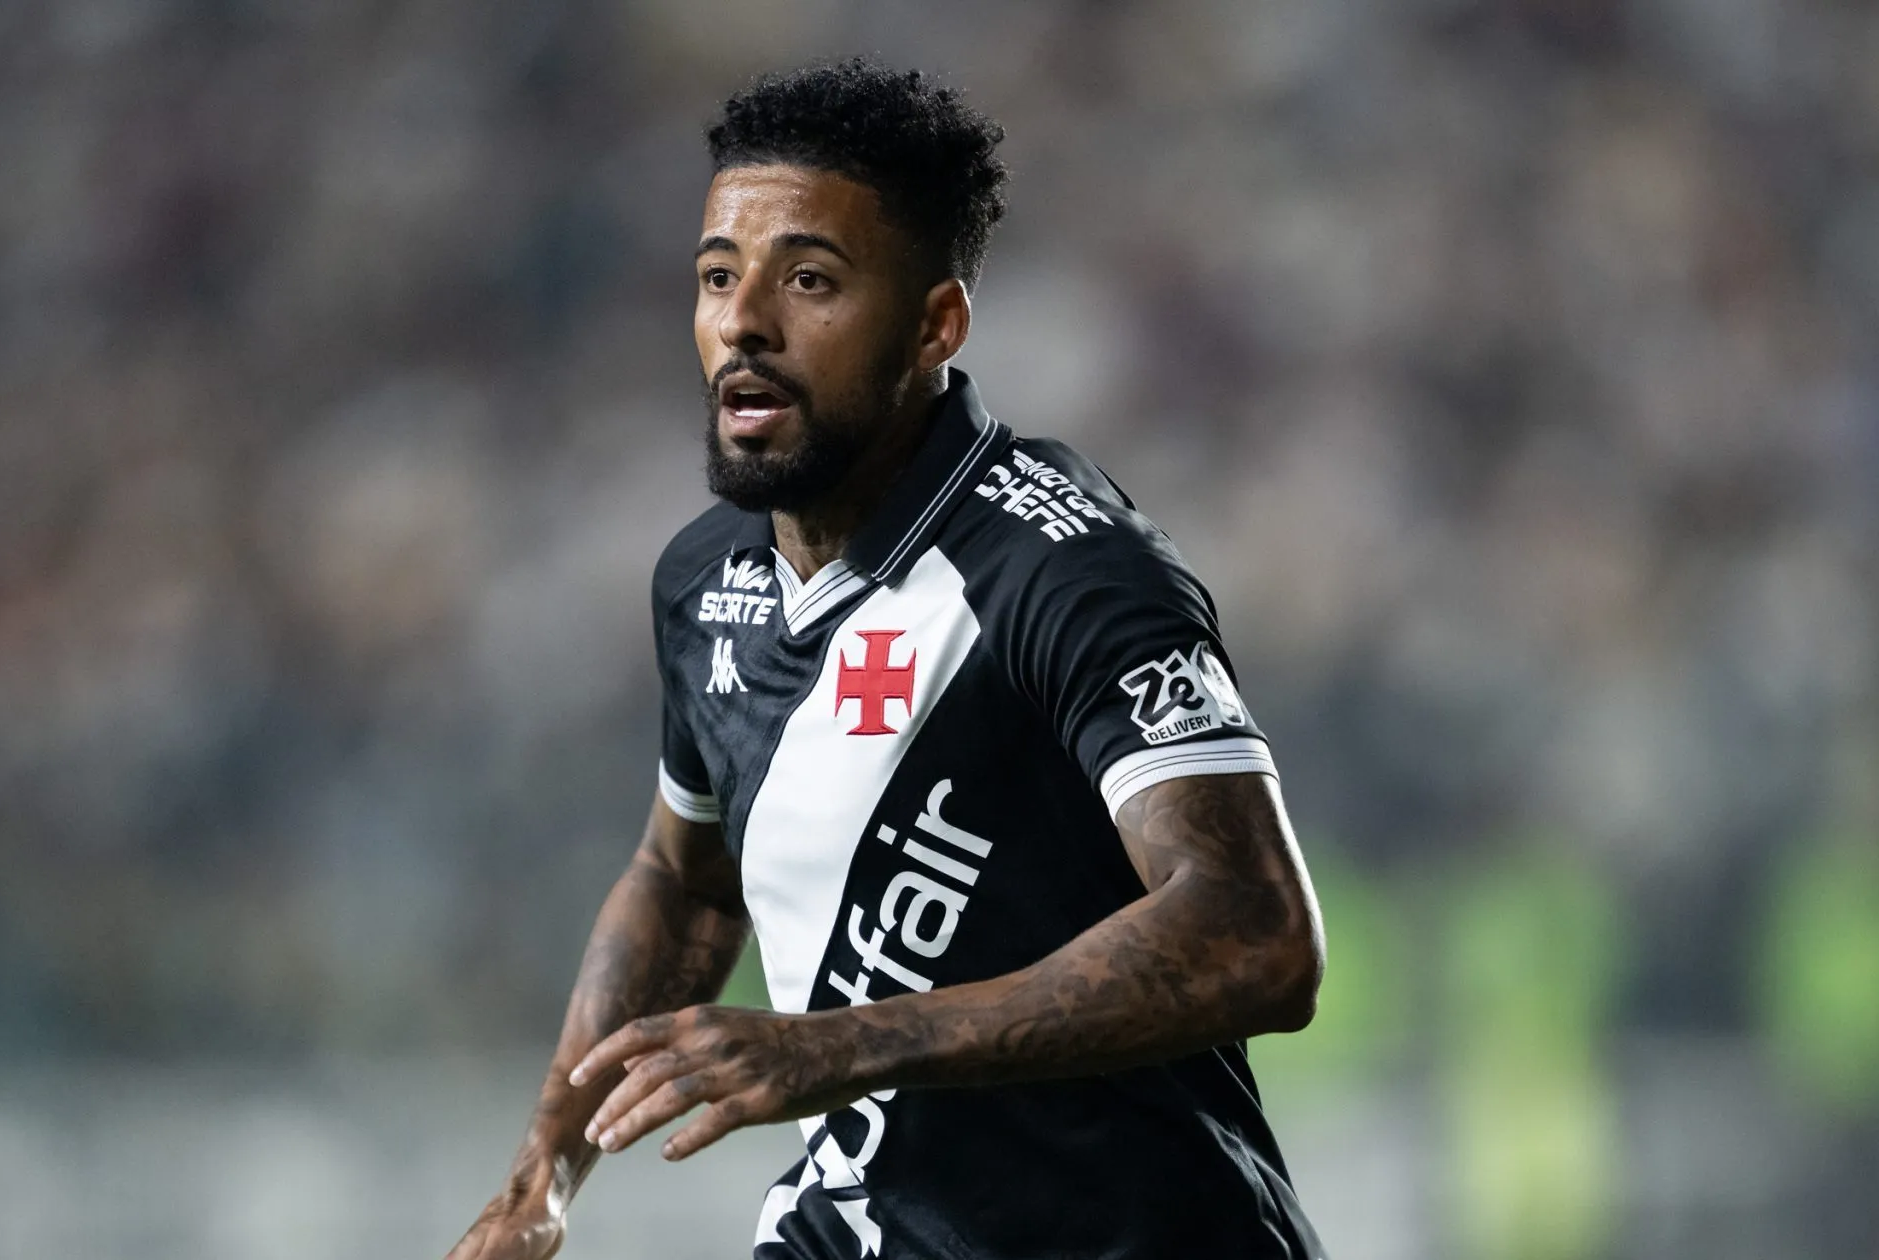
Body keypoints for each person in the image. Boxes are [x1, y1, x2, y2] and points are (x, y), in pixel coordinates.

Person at [446, 58, 1327, 1260]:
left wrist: (840, 1046)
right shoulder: (707, 584)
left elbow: (1257, 934)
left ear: (933, 325)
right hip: (852, 1229)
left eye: (808, 279)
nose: (743, 322)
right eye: (717, 276)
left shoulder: (1061, 569)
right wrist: (540, 1178)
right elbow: (684, 881)